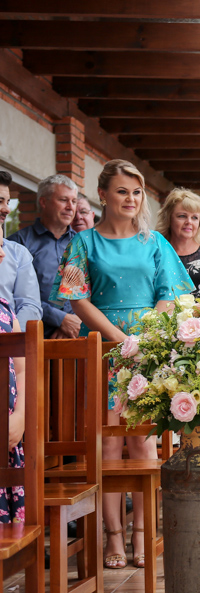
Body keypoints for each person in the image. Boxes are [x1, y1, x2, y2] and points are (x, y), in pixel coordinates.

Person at [50, 159, 193, 571]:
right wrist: (117, 338)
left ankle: (142, 534)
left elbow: (169, 291)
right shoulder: (84, 243)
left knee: (142, 442)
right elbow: (77, 298)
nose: (130, 199)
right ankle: (113, 535)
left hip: (147, 347)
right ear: (103, 195)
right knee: (108, 444)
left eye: (136, 192)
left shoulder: (154, 242)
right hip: (103, 347)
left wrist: (146, 334)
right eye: (121, 191)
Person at [8, 174, 81, 339]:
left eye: (74, 201)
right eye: (63, 200)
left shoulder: (82, 243)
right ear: (43, 202)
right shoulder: (19, 244)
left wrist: (73, 321)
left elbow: (92, 288)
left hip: (76, 337)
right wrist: (60, 319)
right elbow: (12, 294)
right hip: (32, 338)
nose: (71, 207)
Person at [0, 173, 42, 327]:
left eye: (8, 202)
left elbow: (30, 306)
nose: (7, 209)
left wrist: (10, 339)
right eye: (0, 201)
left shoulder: (18, 254)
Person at [0, 298, 27, 524]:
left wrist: (20, 416)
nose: (3, 258)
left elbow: (22, 369)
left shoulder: (4, 309)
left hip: (7, 439)